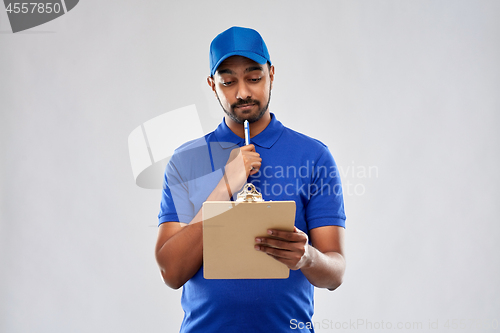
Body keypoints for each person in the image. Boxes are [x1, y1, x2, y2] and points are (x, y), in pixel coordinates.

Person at [155, 26, 346, 333]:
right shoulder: (186, 161)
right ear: (212, 85)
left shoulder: (313, 156)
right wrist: (225, 186)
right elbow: (171, 272)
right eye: (228, 81)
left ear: (271, 74)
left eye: (254, 78)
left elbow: (335, 273)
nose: (242, 92)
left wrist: (307, 257)